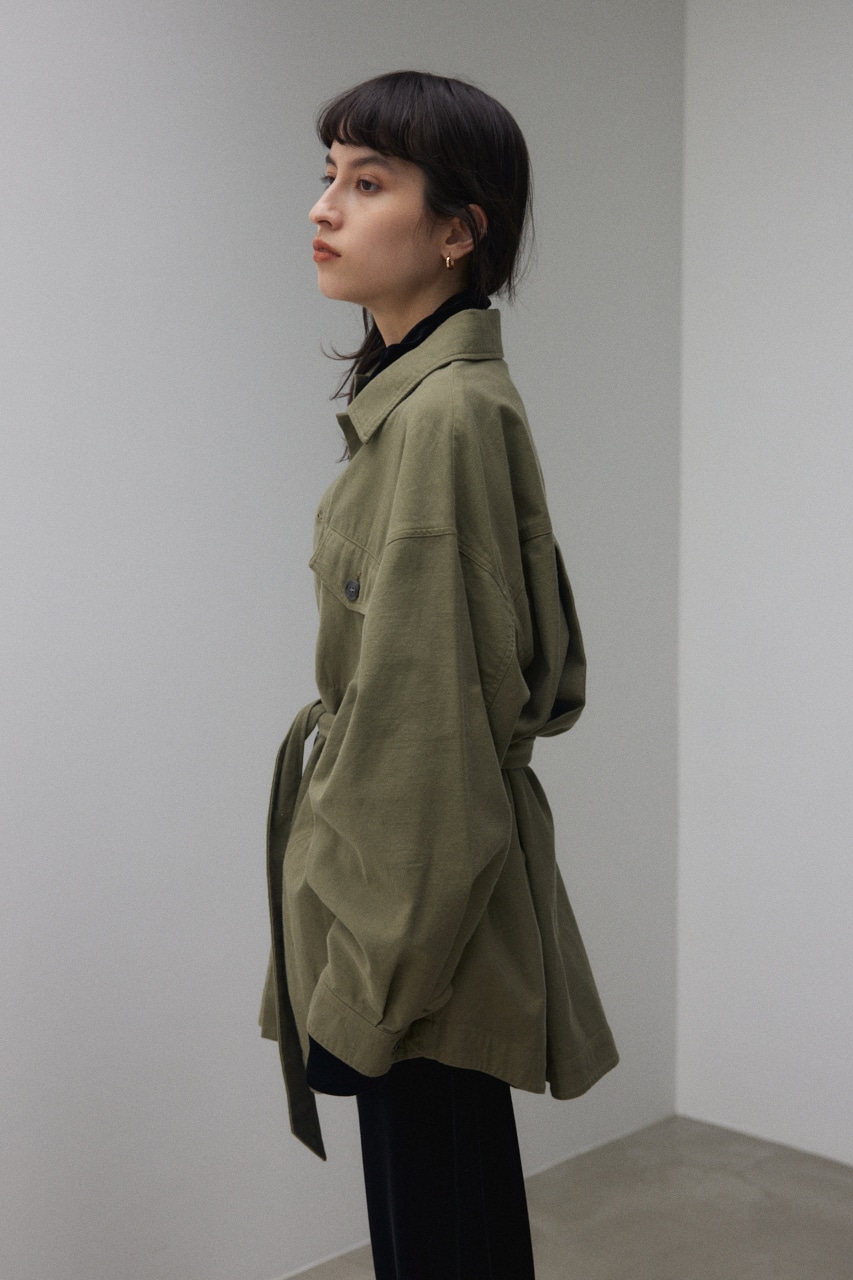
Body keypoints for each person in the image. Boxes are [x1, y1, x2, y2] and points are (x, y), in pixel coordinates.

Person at [261, 70, 618, 1280]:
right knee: (446, 1217)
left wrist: (375, 988)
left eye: (368, 183)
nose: (326, 208)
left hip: (412, 916)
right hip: (403, 897)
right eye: (329, 177)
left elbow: (433, 743)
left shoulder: (442, 420)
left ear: (460, 229)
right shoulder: (416, 402)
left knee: (440, 1231)